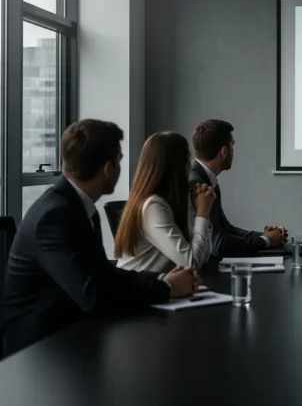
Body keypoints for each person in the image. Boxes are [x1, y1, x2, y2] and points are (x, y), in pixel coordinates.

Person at [0, 120, 197, 357]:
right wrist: (166, 288)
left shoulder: (74, 205)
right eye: (120, 160)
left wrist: (162, 279)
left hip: (68, 333)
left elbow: (103, 273)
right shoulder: (55, 216)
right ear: (108, 168)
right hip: (35, 349)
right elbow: (93, 294)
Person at [114, 132, 216, 273]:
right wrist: (202, 214)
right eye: (187, 159)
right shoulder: (153, 207)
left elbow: (203, 257)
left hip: (158, 283)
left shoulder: (170, 202)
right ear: (176, 167)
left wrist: (196, 209)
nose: (190, 166)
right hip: (135, 286)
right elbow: (192, 264)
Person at [190, 119, 285, 264]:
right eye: (232, 145)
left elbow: (227, 229)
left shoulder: (207, 178)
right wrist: (265, 241)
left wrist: (266, 236)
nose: (233, 151)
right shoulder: (198, 184)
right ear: (224, 151)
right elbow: (219, 244)